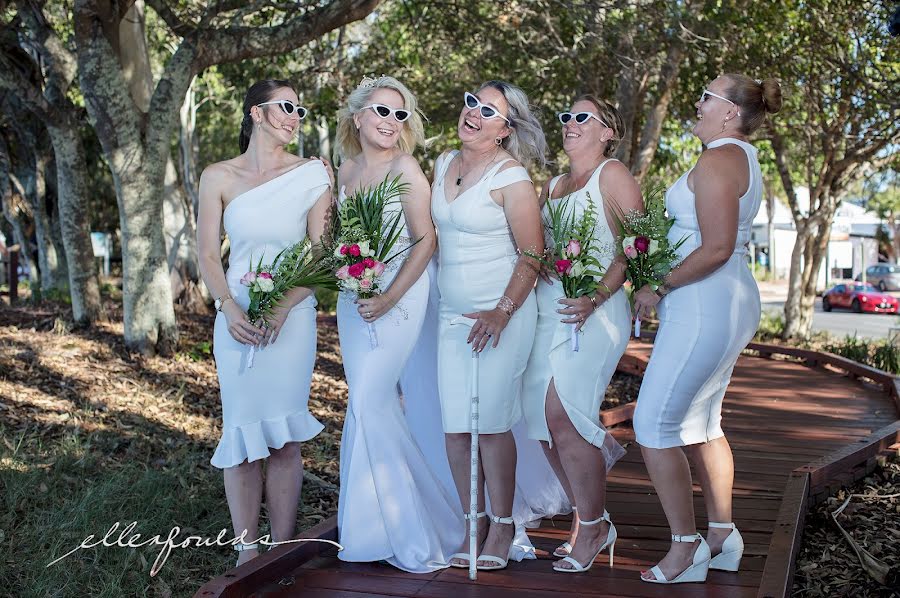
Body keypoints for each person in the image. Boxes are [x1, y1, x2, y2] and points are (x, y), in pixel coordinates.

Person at [632, 74, 782, 584]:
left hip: (703, 301)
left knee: (653, 425)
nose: (697, 102)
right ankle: (722, 535)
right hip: (723, 299)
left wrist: (659, 285)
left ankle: (685, 547)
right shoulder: (738, 157)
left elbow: (715, 247)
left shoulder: (720, 159)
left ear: (729, 113)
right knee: (701, 423)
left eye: (706, 96)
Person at [197, 79, 331, 566]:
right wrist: (229, 308)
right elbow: (208, 255)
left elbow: (322, 257)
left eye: (300, 109)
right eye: (286, 107)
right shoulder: (219, 176)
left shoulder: (313, 175)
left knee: (284, 437)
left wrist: (281, 305)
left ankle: (281, 548)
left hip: (291, 320)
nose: (296, 116)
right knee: (241, 430)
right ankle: (246, 550)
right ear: (256, 112)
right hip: (234, 320)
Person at [333, 75, 461, 572]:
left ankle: (410, 534)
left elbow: (425, 240)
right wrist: (348, 277)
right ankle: (376, 529)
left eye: (400, 114)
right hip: (354, 301)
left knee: (369, 399)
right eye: (382, 111)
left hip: (401, 297)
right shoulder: (344, 172)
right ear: (358, 117)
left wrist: (388, 296)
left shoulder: (406, 168)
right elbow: (341, 241)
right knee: (369, 404)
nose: (390, 122)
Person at [523, 96, 642, 573]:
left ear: (607, 132)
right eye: (566, 117)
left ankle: (593, 526)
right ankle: (589, 519)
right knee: (542, 422)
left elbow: (635, 247)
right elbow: (535, 249)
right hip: (547, 307)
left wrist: (594, 296)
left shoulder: (612, 175)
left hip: (596, 311)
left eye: (581, 118)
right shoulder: (551, 186)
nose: (570, 125)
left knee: (564, 412)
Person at [431, 80, 546, 571]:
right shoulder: (441, 164)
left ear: (505, 129)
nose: (473, 113)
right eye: (470, 102)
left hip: (502, 316)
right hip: (450, 316)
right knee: (457, 428)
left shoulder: (511, 176)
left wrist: (502, 311)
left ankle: (503, 524)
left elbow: (533, 254)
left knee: (492, 426)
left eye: (488, 110)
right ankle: (471, 520)